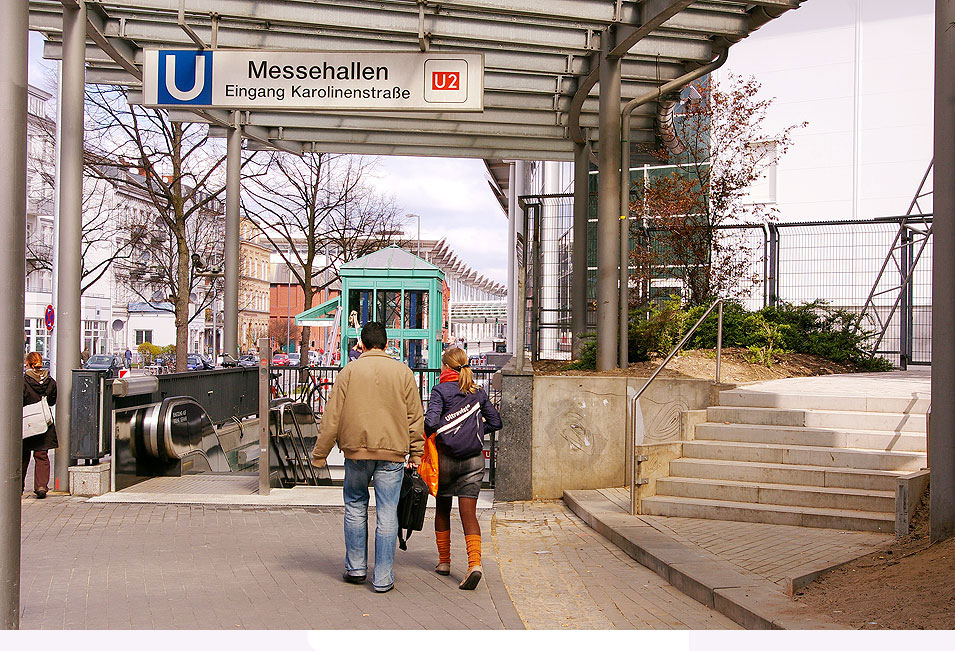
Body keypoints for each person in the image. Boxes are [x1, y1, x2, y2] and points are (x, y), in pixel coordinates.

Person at [312, 321, 424, 593]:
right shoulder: (403, 373)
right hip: (393, 453)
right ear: (386, 343)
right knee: (387, 512)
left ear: (361, 344)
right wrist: (417, 452)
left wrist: (320, 454)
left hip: (356, 450)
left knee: (354, 505)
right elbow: (415, 416)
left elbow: (333, 415)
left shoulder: (349, 371)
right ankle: (383, 577)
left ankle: (356, 567)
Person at [424, 346, 502, 590]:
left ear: (446, 367)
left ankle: (444, 562)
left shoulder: (440, 390)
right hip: (473, 460)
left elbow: (430, 423)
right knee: (468, 514)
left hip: (445, 460)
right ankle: (474, 564)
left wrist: (443, 436)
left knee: (443, 508)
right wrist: (476, 433)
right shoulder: (477, 392)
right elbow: (496, 421)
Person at [22, 352, 58, 499]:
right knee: (41, 455)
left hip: (27, 421)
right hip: (44, 421)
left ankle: (18, 487)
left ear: (29, 364)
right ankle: (41, 486)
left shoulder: (23, 381)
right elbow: (52, 401)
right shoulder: (50, 381)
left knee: (23, 455)